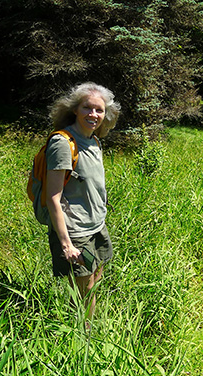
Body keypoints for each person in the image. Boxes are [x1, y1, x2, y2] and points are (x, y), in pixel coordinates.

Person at [44, 82, 121, 325]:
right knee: (84, 288)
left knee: (95, 279)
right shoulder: (63, 143)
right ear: (75, 109)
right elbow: (52, 197)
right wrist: (66, 244)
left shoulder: (95, 141)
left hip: (96, 225)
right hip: (76, 230)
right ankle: (82, 337)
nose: (93, 115)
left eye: (99, 110)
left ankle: (86, 329)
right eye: (87, 108)